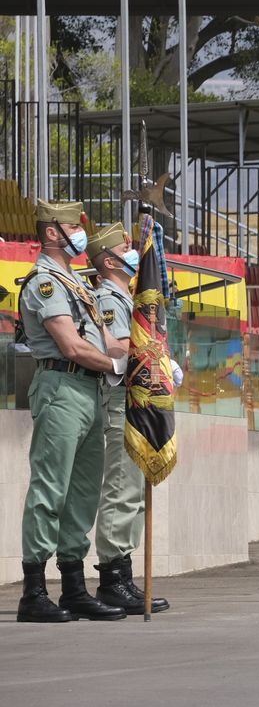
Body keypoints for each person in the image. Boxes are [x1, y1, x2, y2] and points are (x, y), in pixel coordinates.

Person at [16, 201, 129, 623]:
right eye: (71, 226)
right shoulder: (45, 282)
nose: (79, 233)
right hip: (61, 385)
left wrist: (143, 356)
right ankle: (33, 591)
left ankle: (74, 587)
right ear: (51, 234)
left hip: (89, 390)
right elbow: (72, 346)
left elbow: (107, 343)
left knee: (82, 493)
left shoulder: (79, 286)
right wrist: (121, 365)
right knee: (50, 490)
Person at [88, 223, 171, 613]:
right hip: (123, 402)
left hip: (137, 403)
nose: (133, 251)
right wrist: (155, 356)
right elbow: (119, 345)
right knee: (122, 489)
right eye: (126, 247)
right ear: (109, 260)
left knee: (136, 492)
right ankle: (111, 577)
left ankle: (126, 573)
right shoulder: (108, 297)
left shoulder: (129, 297)